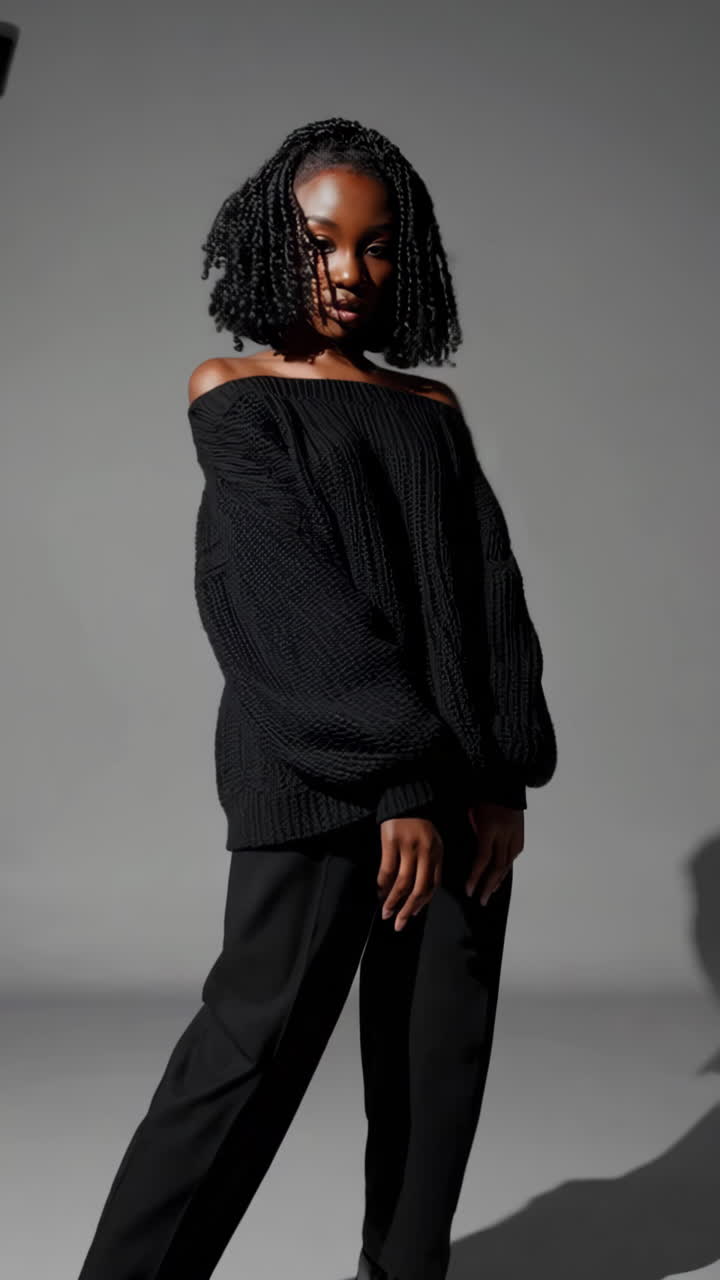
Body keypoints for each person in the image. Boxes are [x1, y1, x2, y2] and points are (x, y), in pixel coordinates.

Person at [77, 116, 557, 1280]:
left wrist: (497, 781)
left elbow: (489, 595)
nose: (351, 272)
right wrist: (397, 774)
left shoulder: (432, 409)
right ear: (268, 243)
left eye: (378, 248)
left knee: (434, 1067)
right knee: (247, 1052)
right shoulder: (234, 392)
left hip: (451, 785)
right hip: (315, 774)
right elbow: (289, 599)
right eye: (322, 241)